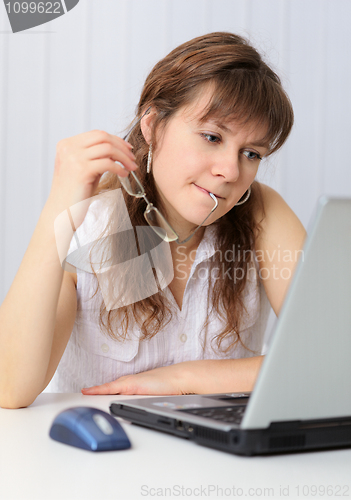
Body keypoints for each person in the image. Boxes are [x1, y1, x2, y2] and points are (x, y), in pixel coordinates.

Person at [0, 32, 305, 409]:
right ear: (153, 124)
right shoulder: (91, 222)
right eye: (212, 137)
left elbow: (333, 359)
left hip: (224, 465)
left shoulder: (261, 211)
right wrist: (57, 209)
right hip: (103, 460)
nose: (230, 170)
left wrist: (185, 379)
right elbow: (10, 387)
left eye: (251, 153)